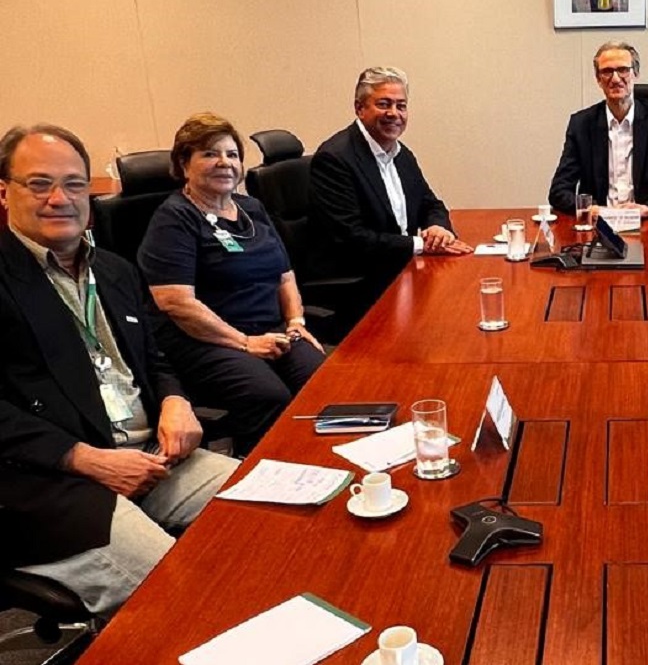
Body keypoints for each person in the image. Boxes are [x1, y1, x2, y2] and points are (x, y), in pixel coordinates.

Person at [0, 125, 238, 618]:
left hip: (151, 456)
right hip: (48, 481)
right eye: (39, 184)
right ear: (4, 191)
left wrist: (175, 400)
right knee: (185, 597)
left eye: (73, 183)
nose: (59, 199)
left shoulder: (114, 269)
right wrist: (80, 458)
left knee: (267, 511)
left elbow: (155, 357)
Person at [138, 113, 325, 456]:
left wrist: (296, 322)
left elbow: (284, 274)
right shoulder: (174, 218)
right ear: (184, 164)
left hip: (270, 328)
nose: (224, 162)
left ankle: (316, 456)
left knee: (322, 379)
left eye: (232, 154)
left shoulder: (251, 207)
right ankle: (260, 468)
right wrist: (244, 342)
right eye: (210, 154)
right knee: (267, 396)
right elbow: (175, 302)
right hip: (202, 339)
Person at [309, 67, 471, 319]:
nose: (394, 114)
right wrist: (421, 244)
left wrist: (439, 229)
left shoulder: (400, 154)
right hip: (360, 278)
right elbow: (351, 238)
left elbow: (430, 204)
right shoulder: (335, 159)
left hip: (398, 268)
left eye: (401, 105)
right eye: (384, 104)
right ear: (359, 108)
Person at [548, 41, 648, 218]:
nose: (616, 78)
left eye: (623, 69)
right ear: (598, 79)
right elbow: (558, 192)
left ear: (636, 73)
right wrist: (592, 209)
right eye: (607, 71)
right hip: (600, 226)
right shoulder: (582, 124)